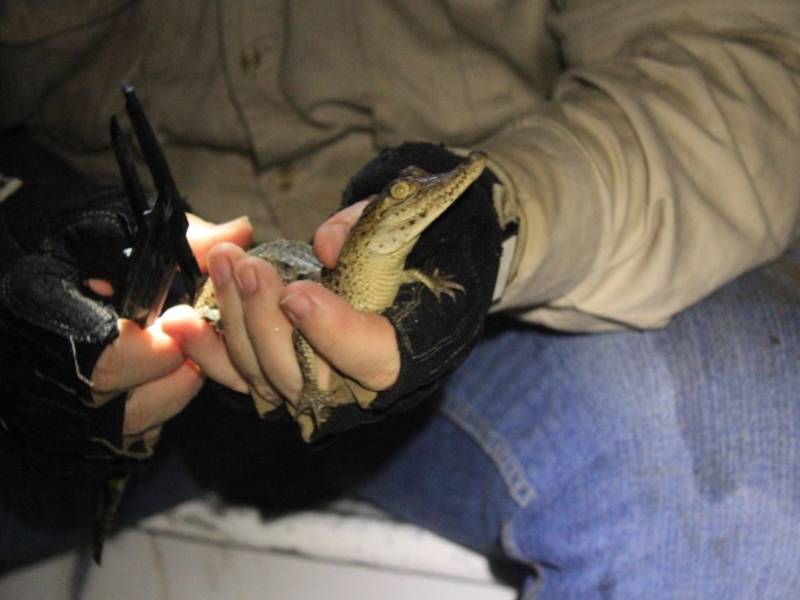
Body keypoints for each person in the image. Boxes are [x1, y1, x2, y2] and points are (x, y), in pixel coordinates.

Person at [2, 2, 800, 597]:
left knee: (747, 458)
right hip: (125, 317)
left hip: (503, 319)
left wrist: (503, 225)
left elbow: (737, 72)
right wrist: (10, 222)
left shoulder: (435, 235)